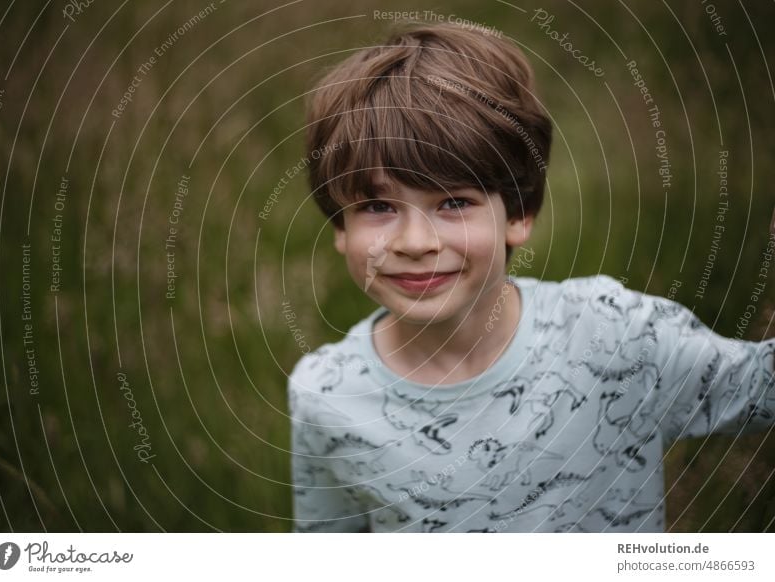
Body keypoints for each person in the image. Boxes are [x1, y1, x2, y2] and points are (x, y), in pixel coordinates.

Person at [287, 22, 775, 532]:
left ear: (518, 213)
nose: (414, 242)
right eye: (377, 205)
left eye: (454, 202)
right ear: (339, 224)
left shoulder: (617, 335)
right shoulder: (324, 393)